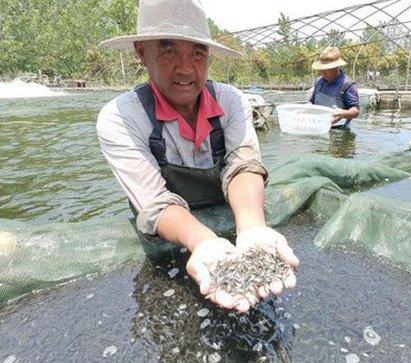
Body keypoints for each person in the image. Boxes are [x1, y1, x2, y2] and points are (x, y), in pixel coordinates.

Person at [96, 0, 298, 313]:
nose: (186, 68)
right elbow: (154, 203)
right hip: (170, 243)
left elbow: (243, 165)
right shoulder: (121, 117)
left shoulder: (231, 102)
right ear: (141, 52)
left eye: (197, 52)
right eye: (167, 48)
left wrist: (253, 228)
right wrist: (204, 243)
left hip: (235, 225)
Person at [308, 47, 360, 128]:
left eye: (326, 69)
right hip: (318, 126)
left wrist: (343, 113)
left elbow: (355, 111)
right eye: (321, 69)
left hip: (339, 130)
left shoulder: (348, 85)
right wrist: (307, 107)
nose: (322, 72)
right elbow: (312, 101)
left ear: (336, 67)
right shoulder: (318, 82)